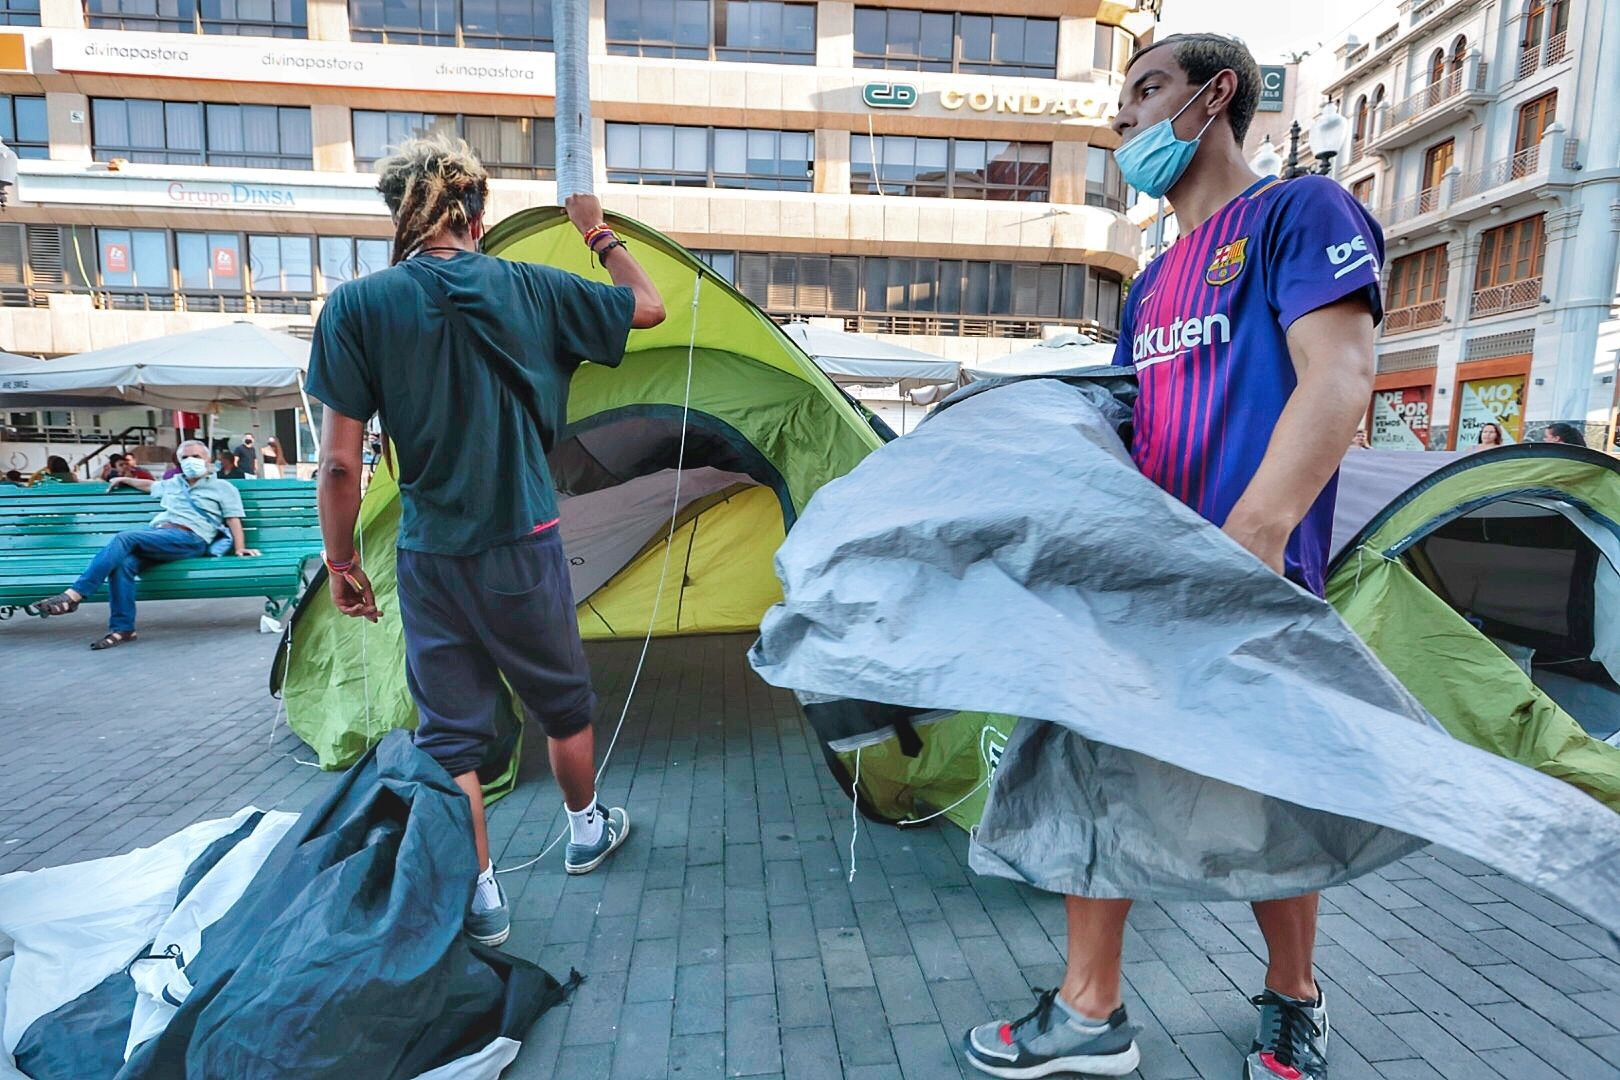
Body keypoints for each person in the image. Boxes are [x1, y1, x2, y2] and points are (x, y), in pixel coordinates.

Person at [964, 34, 1383, 1080]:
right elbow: (1126, 428)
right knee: (1093, 777)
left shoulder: (1299, 214)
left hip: (1251, 585)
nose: (1124, 121)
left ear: (1217, 94)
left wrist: (1252, 543)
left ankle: (1295, 1002)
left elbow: (1340, 378)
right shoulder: (1149, 285)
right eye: (1121, 101)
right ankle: (1090, 1011)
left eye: (1146, 90)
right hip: (1141, 588)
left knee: (1274, 801)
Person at [305, 133, 666, 949]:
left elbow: (337, 462)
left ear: (401, 212)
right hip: (524, 538)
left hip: (430, 553)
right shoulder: (531, 287)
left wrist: (342, 562)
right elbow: (649, 306)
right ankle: (585, 830)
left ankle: (482, 896)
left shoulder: (357, 307)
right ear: (473, 210)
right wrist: (595, 230)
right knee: (562, 702)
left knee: (452, 734)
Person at [30, 439, 261, 649]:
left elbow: (233, 519)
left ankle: (74, 595)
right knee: (124, 565)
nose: (191, 461)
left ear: (208, 460)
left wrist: (240, 547)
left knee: (125, 538)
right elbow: (149, 486)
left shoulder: (223, 488)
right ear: (179, 462)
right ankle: (123, 629)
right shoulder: (173, 483)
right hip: (161, 537)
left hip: (191, 538)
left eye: (196, 457)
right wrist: (123, 478)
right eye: (185, 458)